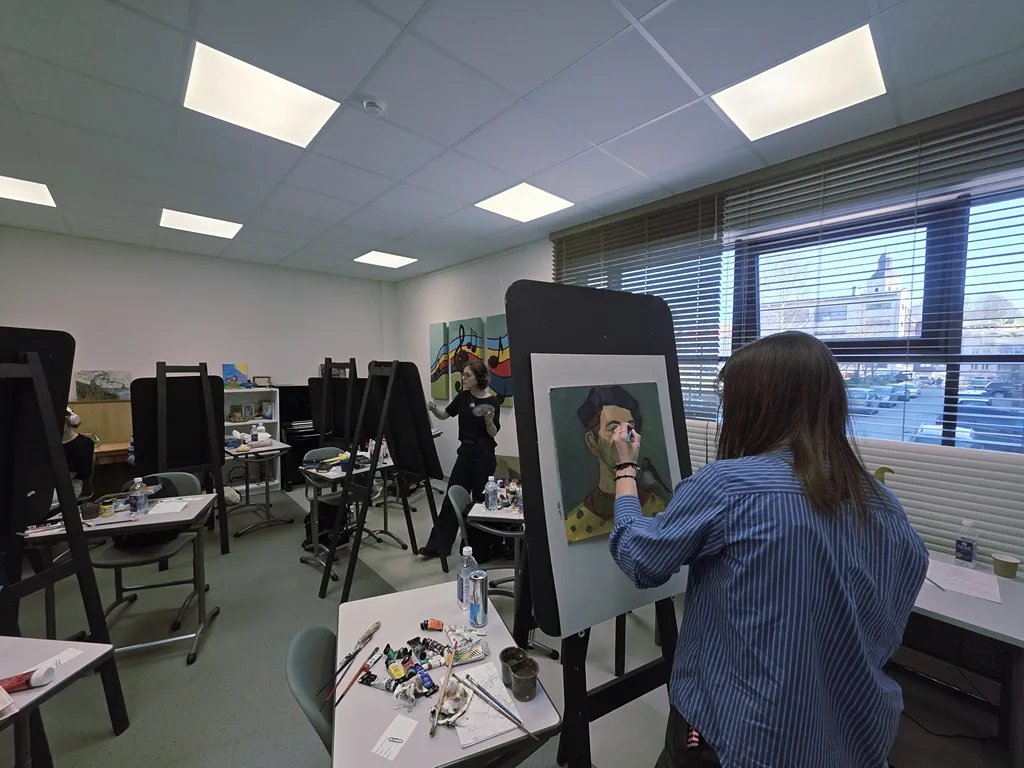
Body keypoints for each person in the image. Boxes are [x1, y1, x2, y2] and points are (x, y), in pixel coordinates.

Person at [608, 331, 928, 768]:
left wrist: (625, 468)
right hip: (855, 740)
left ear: (755, 408)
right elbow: (888, 623)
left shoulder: (727, 487)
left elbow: (640, 557)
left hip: (738, 740)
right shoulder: (885, 506)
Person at [422, 360, 503, 560]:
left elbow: (493, 433)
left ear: (479, 378)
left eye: (467, 375)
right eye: (463, 374)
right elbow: (444, 415)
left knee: (480, 501)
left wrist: (489, 421)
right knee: (451, 499)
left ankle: (478, 549)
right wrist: (433, 410)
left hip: (484, 455)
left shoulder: (493, 402)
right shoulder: (462, 397)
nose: (463, 378)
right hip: (465, 453)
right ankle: (438, 546)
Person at [566, 385, 666, 542]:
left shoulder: (659, 509)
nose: (624, 438)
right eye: (614, 429)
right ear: (593, 442)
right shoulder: (574, 524)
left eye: (629, 429)